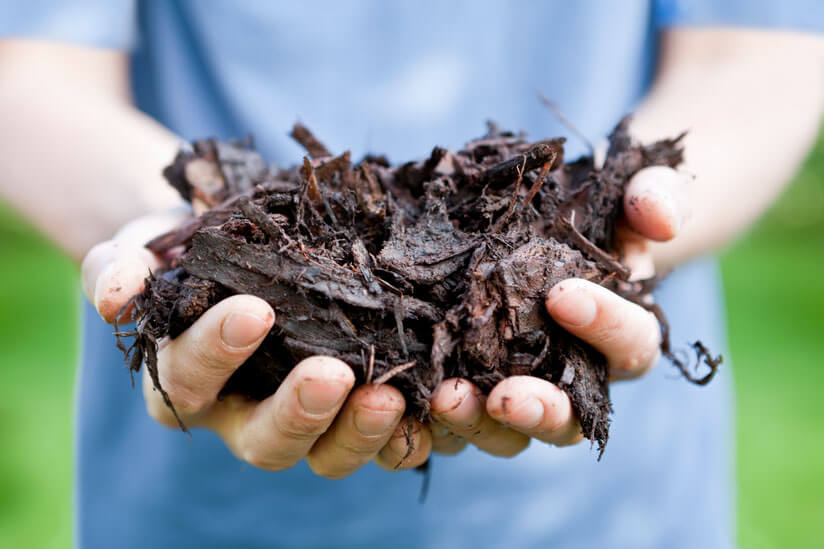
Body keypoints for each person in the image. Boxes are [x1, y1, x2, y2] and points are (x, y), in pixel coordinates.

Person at [1, 2, 822, 547]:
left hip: (616, 517)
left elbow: (757, 51)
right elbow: (31, 68)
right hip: (195, 511)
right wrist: (180, 234)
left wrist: (627, 221)